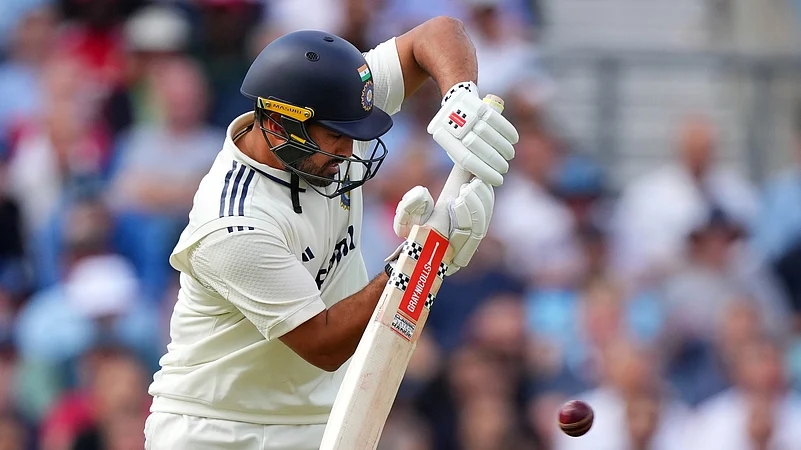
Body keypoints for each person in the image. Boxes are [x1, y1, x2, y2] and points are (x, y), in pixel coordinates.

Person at [143, 17, 519, 450]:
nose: (348, 151)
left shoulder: (334, 102)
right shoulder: (234, 223)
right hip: (219, 430)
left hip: (321, 419)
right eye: (335, 138)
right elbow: (322, 344)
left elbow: (438, 34)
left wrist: (459, 99)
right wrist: (420, 260)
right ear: (281, 125)